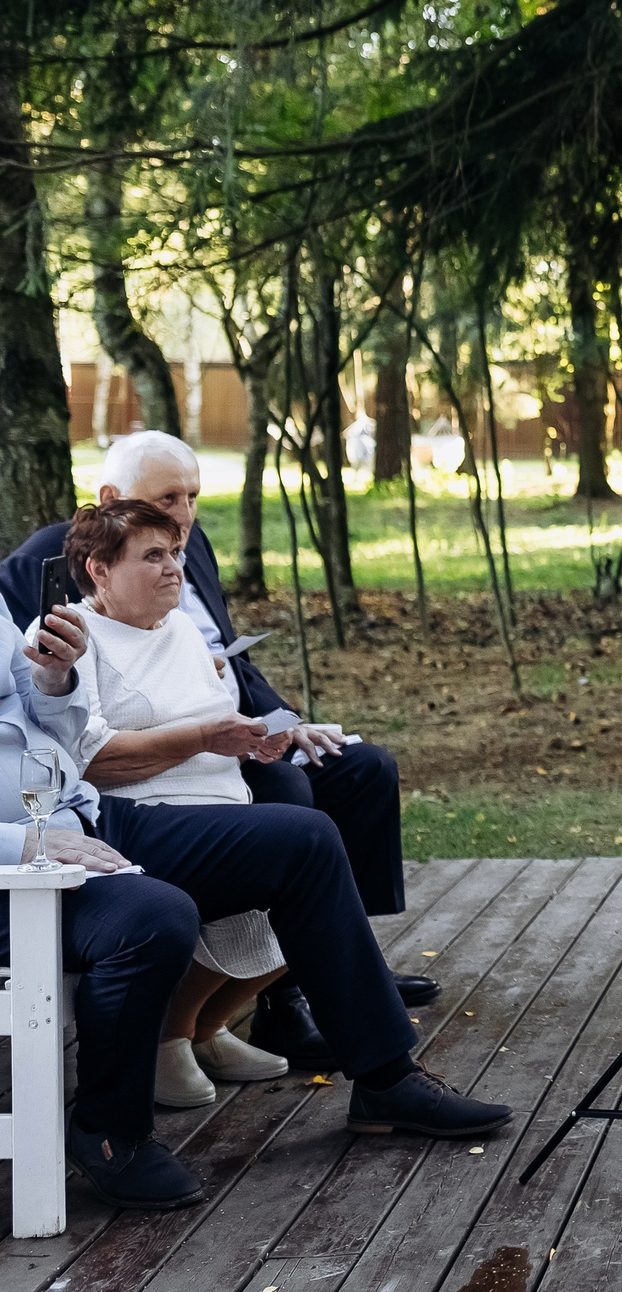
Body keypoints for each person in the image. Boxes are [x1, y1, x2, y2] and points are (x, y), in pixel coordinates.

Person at [0, 540, 510, 1214]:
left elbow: (49, 727)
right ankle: (109, 1130)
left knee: (303, 838)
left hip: (82, 819)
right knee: (158, 915)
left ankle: (386, 1076)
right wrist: (26, 837)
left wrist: (55, 681)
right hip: (19, 863)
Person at [0, 430, 436, 1068]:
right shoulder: (58, 581)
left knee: (359, 770)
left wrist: (277, 723)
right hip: (101, 807)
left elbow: (49, 708)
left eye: (193, 499)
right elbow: (79, 738)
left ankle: (334, 995)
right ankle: (242, 1020)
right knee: (290, 814)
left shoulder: (179, 573)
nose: (182, 521)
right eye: (167, 500)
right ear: (108, 514)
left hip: (89, 800)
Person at [53, 497, 297, 1107]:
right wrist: (207, 738)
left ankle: (205, 1031)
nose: (174, 568)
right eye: (153, 556)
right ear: (99, 570)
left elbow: (213, 723)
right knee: (302, 857)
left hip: (218, 801)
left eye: (177, 553)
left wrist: (253, 741)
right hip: (136, 817)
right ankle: (170, 1037)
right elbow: (90, 757)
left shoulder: (183, 629)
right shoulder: (68, 637)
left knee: (314, 865)